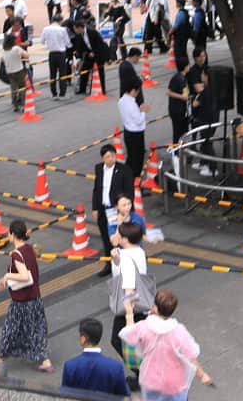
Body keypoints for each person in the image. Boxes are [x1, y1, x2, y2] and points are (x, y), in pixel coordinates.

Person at [0, 219, 53, 373]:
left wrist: (7, 277)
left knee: (10, 329)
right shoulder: (28, 249)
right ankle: (45, 361)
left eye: (9, 233)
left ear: (13, 235)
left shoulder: (17, 254)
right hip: (35, 298)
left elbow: (24, 276)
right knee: (36, 329)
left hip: (21, 302)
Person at [120, 289, 213, 398]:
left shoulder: (144, 327)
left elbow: (128, 334)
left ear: (155, 307)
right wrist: (202, 375)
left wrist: (129, 312)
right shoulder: (179, 331)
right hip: (174, 383)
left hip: (150, 379)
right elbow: (190, 357)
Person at [109, 220, 148, 373]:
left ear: (124, 238)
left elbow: (129, 286)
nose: (116, 235)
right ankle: (143, 372)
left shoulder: (126, 257)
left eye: (118, 233)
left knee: (117, 340)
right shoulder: (138, 251)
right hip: (140, 303)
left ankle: (141, 373)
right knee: (138, 342)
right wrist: (116, 258)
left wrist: (129, 316)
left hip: (130, 306)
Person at [61, 318, 132, 398]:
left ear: (83, 339)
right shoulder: (116, 367)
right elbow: (124, 395)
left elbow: (65, 396)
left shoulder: (70, 366)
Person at [92, 144, 132, 276]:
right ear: (102, 158)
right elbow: (96, 189)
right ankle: (110, 264)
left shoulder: (124, 169)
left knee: (121, 236)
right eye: (107, 156)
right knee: (106, 237)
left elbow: (129, 191)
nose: (110, 159)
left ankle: (125, 263)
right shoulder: (98, 169)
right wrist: (95, 208)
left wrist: (123, 208)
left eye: (112, 156)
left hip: (117, 210)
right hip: (103, 209)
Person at [72, 18, 110, 96]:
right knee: (84, 69)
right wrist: (78, 59)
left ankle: (102, 90)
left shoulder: (92, 31)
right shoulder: (79, 35)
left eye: (75, 29)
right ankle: (82, 89)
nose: (75, 31)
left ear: (80, 28)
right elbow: (79, 48)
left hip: (99, 52)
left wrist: (94, 52)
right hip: (89, 54)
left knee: (100, 71)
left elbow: (100, 43)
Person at [118, 85, 149, 179]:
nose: (138, 94)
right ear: (132, 90)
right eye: (137, 91)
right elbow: (138, 120)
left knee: (131, 157)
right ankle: (135, 183)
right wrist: (143, 111)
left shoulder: (122, 100)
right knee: (137, 161)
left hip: (127, 131)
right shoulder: (131, 103)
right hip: (136, 134)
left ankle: (126, 179)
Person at [42, 15, 71, 98]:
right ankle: (62, 93)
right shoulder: (62, 30)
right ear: (60, 21)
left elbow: (42, 41)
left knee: (52, 74)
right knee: (62, 73)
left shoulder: (46, 29)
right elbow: (67, 43)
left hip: (52, 53)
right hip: (61, 53)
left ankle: (54, 93)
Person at [165, 61, 192, 146]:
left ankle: (183, 148)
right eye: (188, 65)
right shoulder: (177, 78)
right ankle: (177, 151)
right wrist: (182, 97)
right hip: (177, 110)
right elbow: (168, 92)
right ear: (185, 67)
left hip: (183, 109)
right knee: (178, 132)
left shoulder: (183, 77)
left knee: (183, 131)